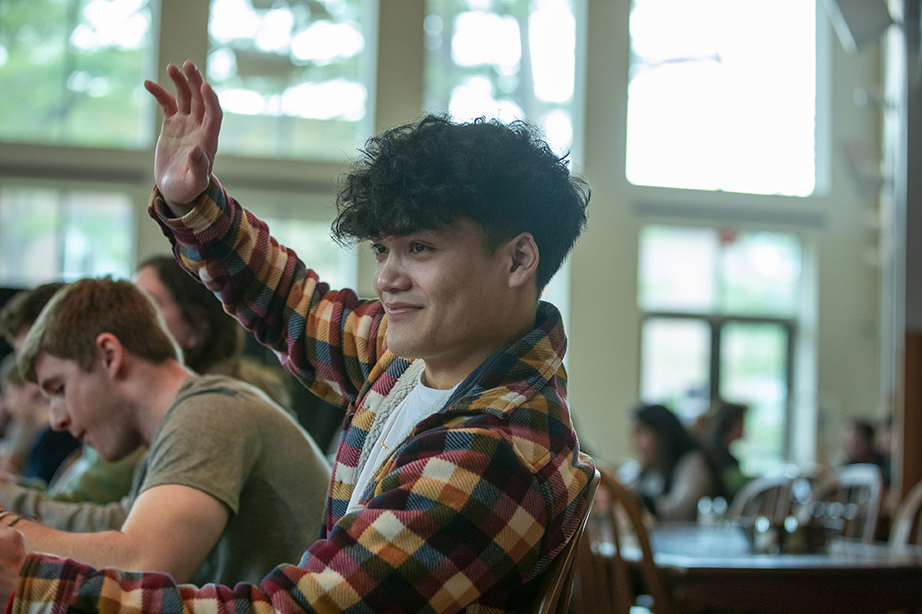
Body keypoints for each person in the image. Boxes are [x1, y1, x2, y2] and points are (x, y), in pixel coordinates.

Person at [0, 60, 594, 613]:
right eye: (383, 249)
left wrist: (25, 586)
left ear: (518, 261)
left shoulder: (494, 452)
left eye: (421, 248)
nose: (386, 278)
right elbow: (296, 306)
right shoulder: (421, 359)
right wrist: (191, 202)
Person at [5, 277, 330, 586]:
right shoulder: (179, 423)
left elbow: (140, 568)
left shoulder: (210, 412)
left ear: (108, 356)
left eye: (59, 389)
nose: (56, 419)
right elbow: (116, 527)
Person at [0, 284, 144, 508]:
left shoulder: (118, 429)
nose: (34, 387)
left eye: (37, 368)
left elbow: (83, 509)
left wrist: (9, 497)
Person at [135, 254, 292, 409]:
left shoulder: (221, 403)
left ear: (197, 330)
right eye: (130, 302)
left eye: (149, 305)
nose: (131, 314)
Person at [628, 403, 726, 522]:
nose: (635, 443)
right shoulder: (653, 468)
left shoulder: (693, 461)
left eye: (641, 432)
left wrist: (640, 502)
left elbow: (681, 509)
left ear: (662, 433)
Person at [0, 354, 80, 486]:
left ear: (30, 387)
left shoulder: (50, 438)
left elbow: (47, 495)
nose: (8, 406)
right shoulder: (43, 436)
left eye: (10, 395)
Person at [704, 402, 748, 499]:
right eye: (742, 422)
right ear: (732, 423)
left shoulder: (722, 453)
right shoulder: (715, 456)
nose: (745, 427)